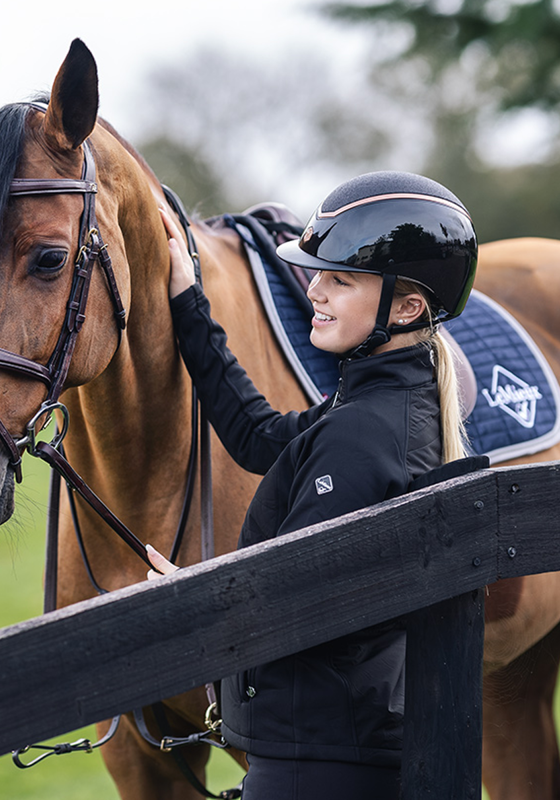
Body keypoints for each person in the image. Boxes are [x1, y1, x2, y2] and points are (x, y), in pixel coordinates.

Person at [147, 171, 478, 799]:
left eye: (340, 279)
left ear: (407, 308)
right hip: (350, 748)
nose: (315, 290)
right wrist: (190, 298)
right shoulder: (391, 403)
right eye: (317, 272)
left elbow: (292, 604)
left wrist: (192, 595)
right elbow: (259, 435)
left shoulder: (361, 433)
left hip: (318, 764)